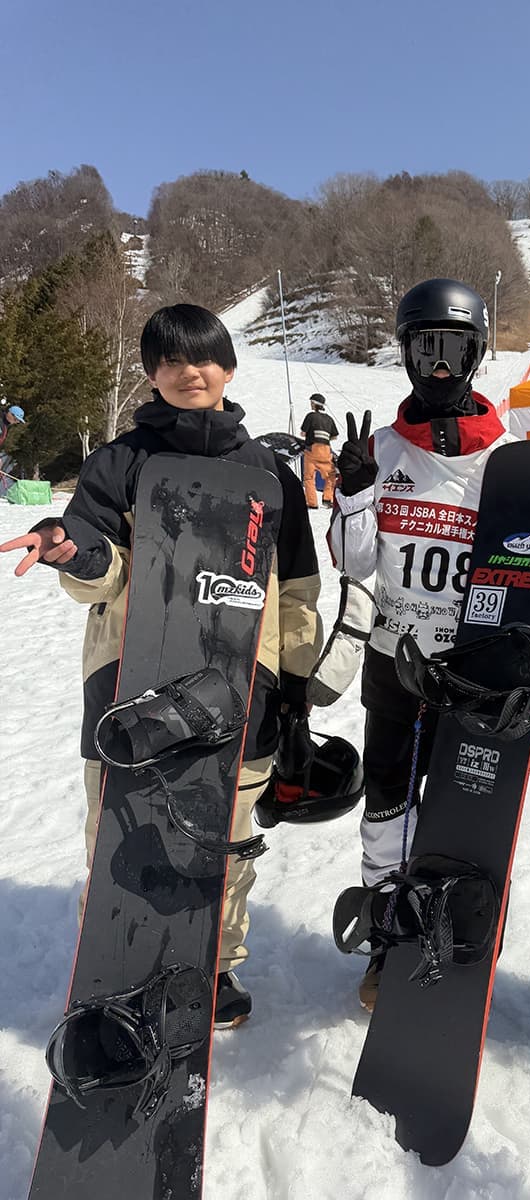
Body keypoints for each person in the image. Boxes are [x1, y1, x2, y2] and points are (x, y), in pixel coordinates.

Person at [0, 304, 323, 1029]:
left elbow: (297, 589)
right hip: (129, 678)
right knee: (122, 828)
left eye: (202, 357)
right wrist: (72, 550)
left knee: (225, 834)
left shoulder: (267, 472)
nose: (189, 372)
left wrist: (296, 688)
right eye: (170, 360)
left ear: (229, 367)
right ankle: (114, 961)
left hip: (244, 682)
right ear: (151, 374)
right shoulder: (119, 462)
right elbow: (99, 567)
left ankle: (216, 965)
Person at [328, 278, 513, 1011]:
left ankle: (457, 932)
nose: (439, 366)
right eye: (425, 348)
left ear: (477, 355)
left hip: (470, 663)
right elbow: (354, 563)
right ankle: (389, 939)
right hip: (394, 659)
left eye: (454, 350)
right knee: (388, 807)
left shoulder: (507, 456)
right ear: (404, 354)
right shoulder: (378, 448)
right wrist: (354, 494)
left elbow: (529, 566)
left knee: (465, 805)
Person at [300, 392, 339, 509]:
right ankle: (327, 498)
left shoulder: (310, 416)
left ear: (314, 404)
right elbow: (334, 436)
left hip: (312, 450)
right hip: (326, 451)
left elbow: (303, 433)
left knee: (309, 477)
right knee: (330, 475)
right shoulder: (329, 419)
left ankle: (312, 503)